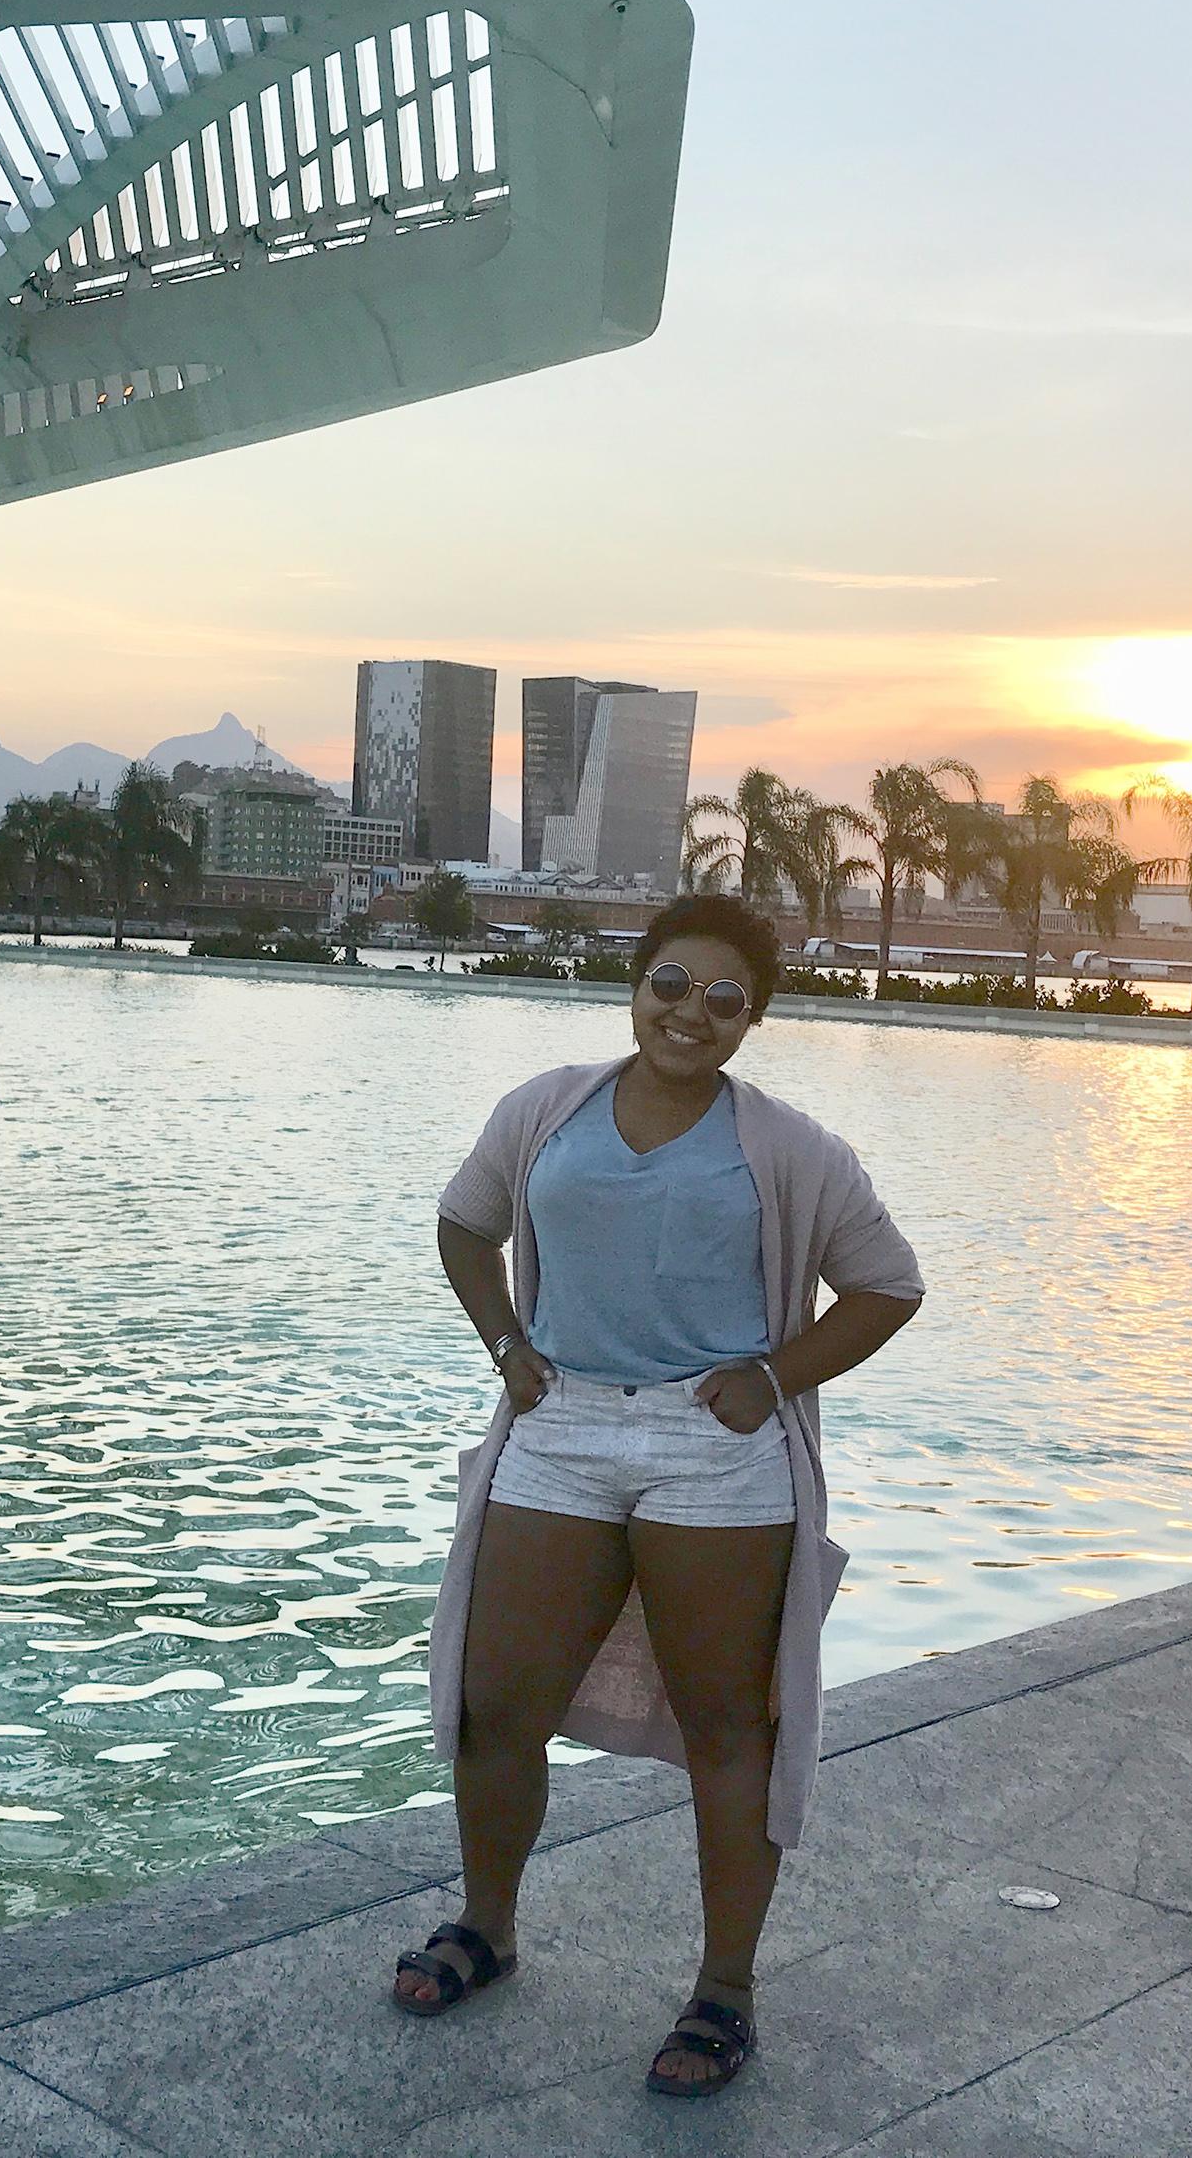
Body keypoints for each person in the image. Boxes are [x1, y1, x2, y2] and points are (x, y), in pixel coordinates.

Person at [388, 892, 925, 2097]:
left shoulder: (789, 1148)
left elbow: (888, 1287)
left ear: (754, 1020)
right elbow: (464, 1226)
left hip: (714, 1448)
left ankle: (724, 1990)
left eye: (726, 1000)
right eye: (672, 985)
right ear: (635, 986)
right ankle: (489, 1925)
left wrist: (774, 1378)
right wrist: (505, 1346)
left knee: (729, 1732)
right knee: (492, 1704)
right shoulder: (547, 1108)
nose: (693, 1014)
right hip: (560, 1426)